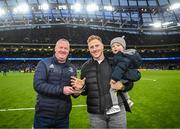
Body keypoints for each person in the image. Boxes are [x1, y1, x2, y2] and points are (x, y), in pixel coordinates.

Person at [71, 35, 134, 128]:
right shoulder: (85, 67)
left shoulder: (114, 62)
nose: (94, 49)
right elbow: (85, 92)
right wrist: (81, 88)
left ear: (102, 46)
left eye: (97, 46)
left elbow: (130, 83)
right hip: (96, 114)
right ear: (88, 49)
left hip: (118, 113)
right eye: (91, 47)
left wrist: (122, 86)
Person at [33, 38, 78, 128]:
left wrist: (77, 91)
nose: (63, 50)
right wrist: (61, 90)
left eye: (66, 48)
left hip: (63, 117)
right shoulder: (44, 63)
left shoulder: (72, 68)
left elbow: (73, 90)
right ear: (55, 49)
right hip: (43, 115)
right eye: (60, 47)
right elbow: (38, 85)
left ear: (69, 51)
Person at [106, 36, 142, 115]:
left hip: (123, 77)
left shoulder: (122, 57)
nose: (115, 47)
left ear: (123, 48)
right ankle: (128, 101)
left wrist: (114, 78)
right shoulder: (120, 56)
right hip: (125, 78)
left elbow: (120, 68)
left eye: (118, 45)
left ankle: (115, 106)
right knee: (122, 88)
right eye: (113, 46)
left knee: (112, 89)